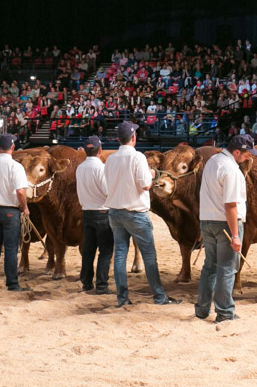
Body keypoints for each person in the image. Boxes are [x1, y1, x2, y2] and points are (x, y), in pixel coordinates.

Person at [105, 121, 181, 308]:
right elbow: (145, 185)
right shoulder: (137, 157)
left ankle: (122, 298)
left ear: (117, 139)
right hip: (135, 212)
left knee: (120, 254)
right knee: (149, 256)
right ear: (133, 138)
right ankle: (159, 296)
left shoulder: (111, 159)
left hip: (115, 211)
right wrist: (152, 174)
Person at [195, 134, 257, 323]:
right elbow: (230, 205)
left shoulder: (213, 160)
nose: (249, 157)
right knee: (227, 268)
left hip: (207, 220)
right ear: (237, 152)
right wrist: (236, 236)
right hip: (225, 223)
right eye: (247, 154)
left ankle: (202, 309)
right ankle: (224, 312)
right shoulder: (231, 170)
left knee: (210, 266)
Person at [0, 133, 30, 292]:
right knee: (10, 249)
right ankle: (12, 283)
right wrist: (24, 207)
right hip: (10, 211)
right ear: (13, 147)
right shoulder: (16, 166)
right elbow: (21, 192)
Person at [75, 135, 113, 295]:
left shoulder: (80, 167)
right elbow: (107, 191)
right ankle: (102, 285)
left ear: (85, 150)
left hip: (86, 212)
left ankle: (86, 282)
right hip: (102, 212)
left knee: (88, 250)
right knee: (105, 250)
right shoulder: (102, 168)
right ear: (100, 150)